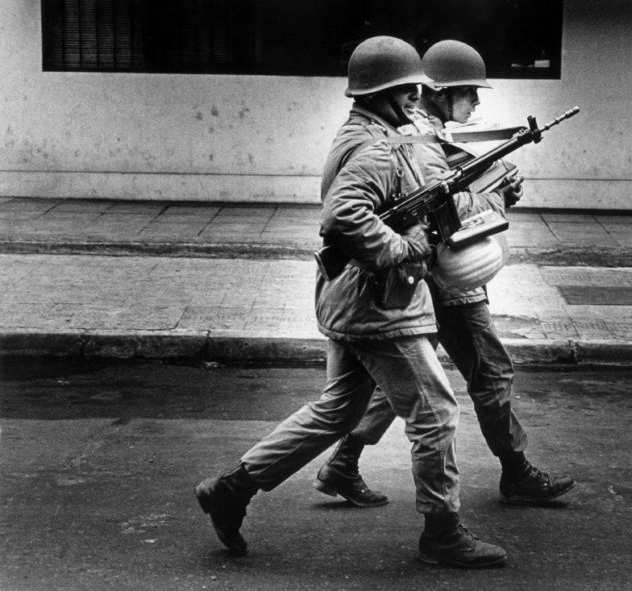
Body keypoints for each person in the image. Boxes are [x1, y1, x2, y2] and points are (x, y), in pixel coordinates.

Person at [195, 35, 507, 569]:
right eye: (408, 90)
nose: (416, 98)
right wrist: (402, 248)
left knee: (337, 409)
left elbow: (413, 191)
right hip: (380, 305)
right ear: (385, 92)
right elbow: (343, 217)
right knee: (435, 414)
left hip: (351, 299)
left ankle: (231, 488)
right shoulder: (375, 147)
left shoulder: (370, 133)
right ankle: (443, 534)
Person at [314, 39, 575, 509]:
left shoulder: (418, 131)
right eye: (469, 92)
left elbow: (455, 185)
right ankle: (511, 475)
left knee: (404, 382)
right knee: (489, 371)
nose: (475, 103)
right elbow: (445, 209)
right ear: (439, 92)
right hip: (443, 271)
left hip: (424, 271)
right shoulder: (414, 137)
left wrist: (496, 181)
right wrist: (496, 195)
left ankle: (343, 462)